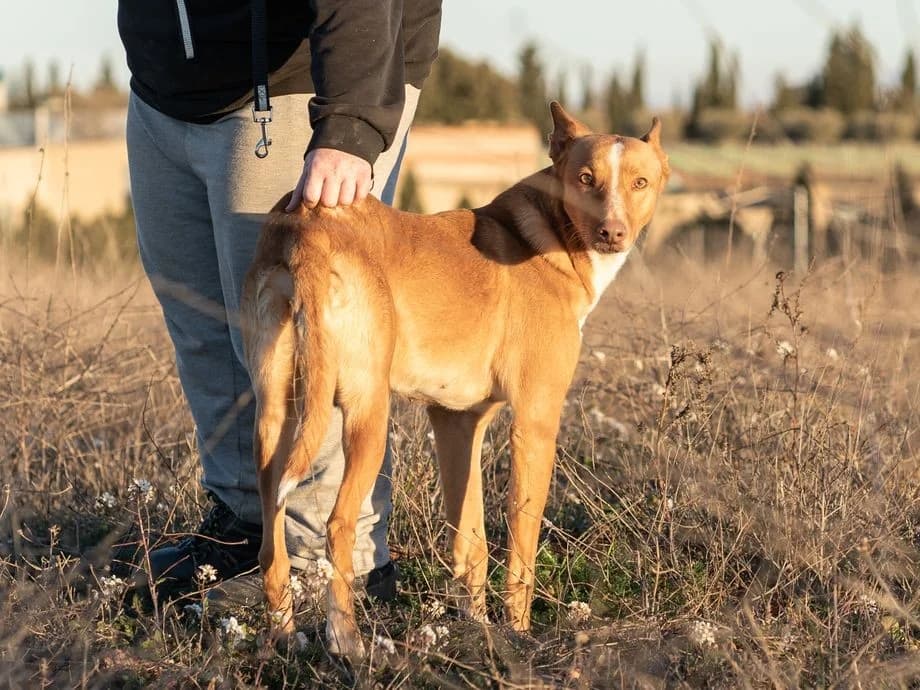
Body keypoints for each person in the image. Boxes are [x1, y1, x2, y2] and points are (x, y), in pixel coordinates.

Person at [115, 0, 442, 602]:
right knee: (209, 323)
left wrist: (350, 124)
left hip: (299, 83)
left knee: (314, 339)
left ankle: (331, 562)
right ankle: (249, 530)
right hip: (167, 90)